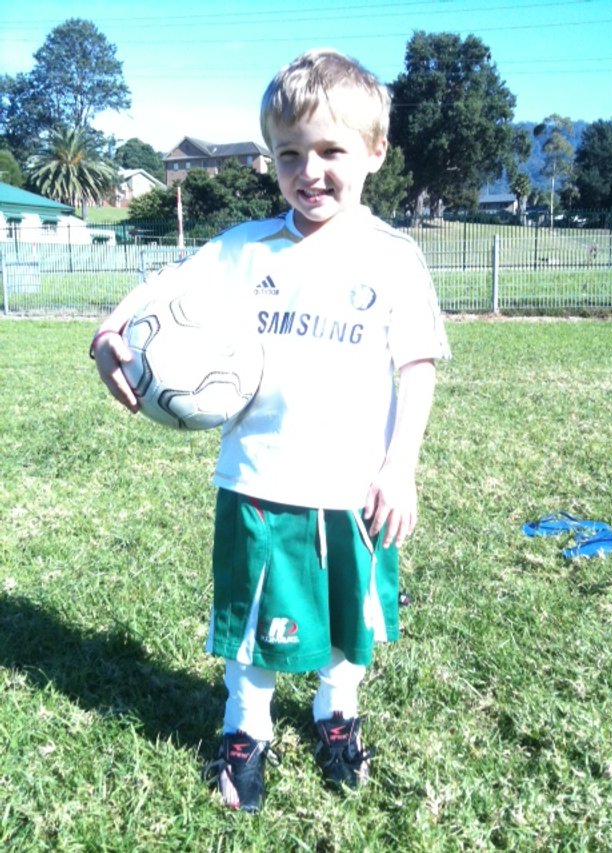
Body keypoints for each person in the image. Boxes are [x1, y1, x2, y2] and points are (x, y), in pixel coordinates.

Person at [91, 48, 451, 813]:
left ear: (375, 153)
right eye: (290, 154)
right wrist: (109, 332)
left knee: (351, 625)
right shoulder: (244, 247)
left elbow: (416, 365)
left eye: (330, 151)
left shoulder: (392, 258)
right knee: (252, 626)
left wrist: (401, 466)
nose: (309, 171)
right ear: (271, 159)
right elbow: (159, 290)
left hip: (356, 487)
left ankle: (335, 716)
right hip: (256, 477)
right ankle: (245, 731)